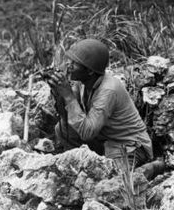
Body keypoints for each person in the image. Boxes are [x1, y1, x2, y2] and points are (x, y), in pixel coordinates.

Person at [48, 38, 155, 170]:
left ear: (90, 71)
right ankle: (78, 167)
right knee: (62, 129)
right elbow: (66, 117)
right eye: (70, 61)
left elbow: (87, 132)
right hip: (104, 140)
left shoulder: (108, 90)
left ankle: (152, 168)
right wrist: (59, 93)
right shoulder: (82, 83)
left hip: (129, 146)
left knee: (113, 182)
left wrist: (68, 96)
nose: (69, 66)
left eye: (75, 63)